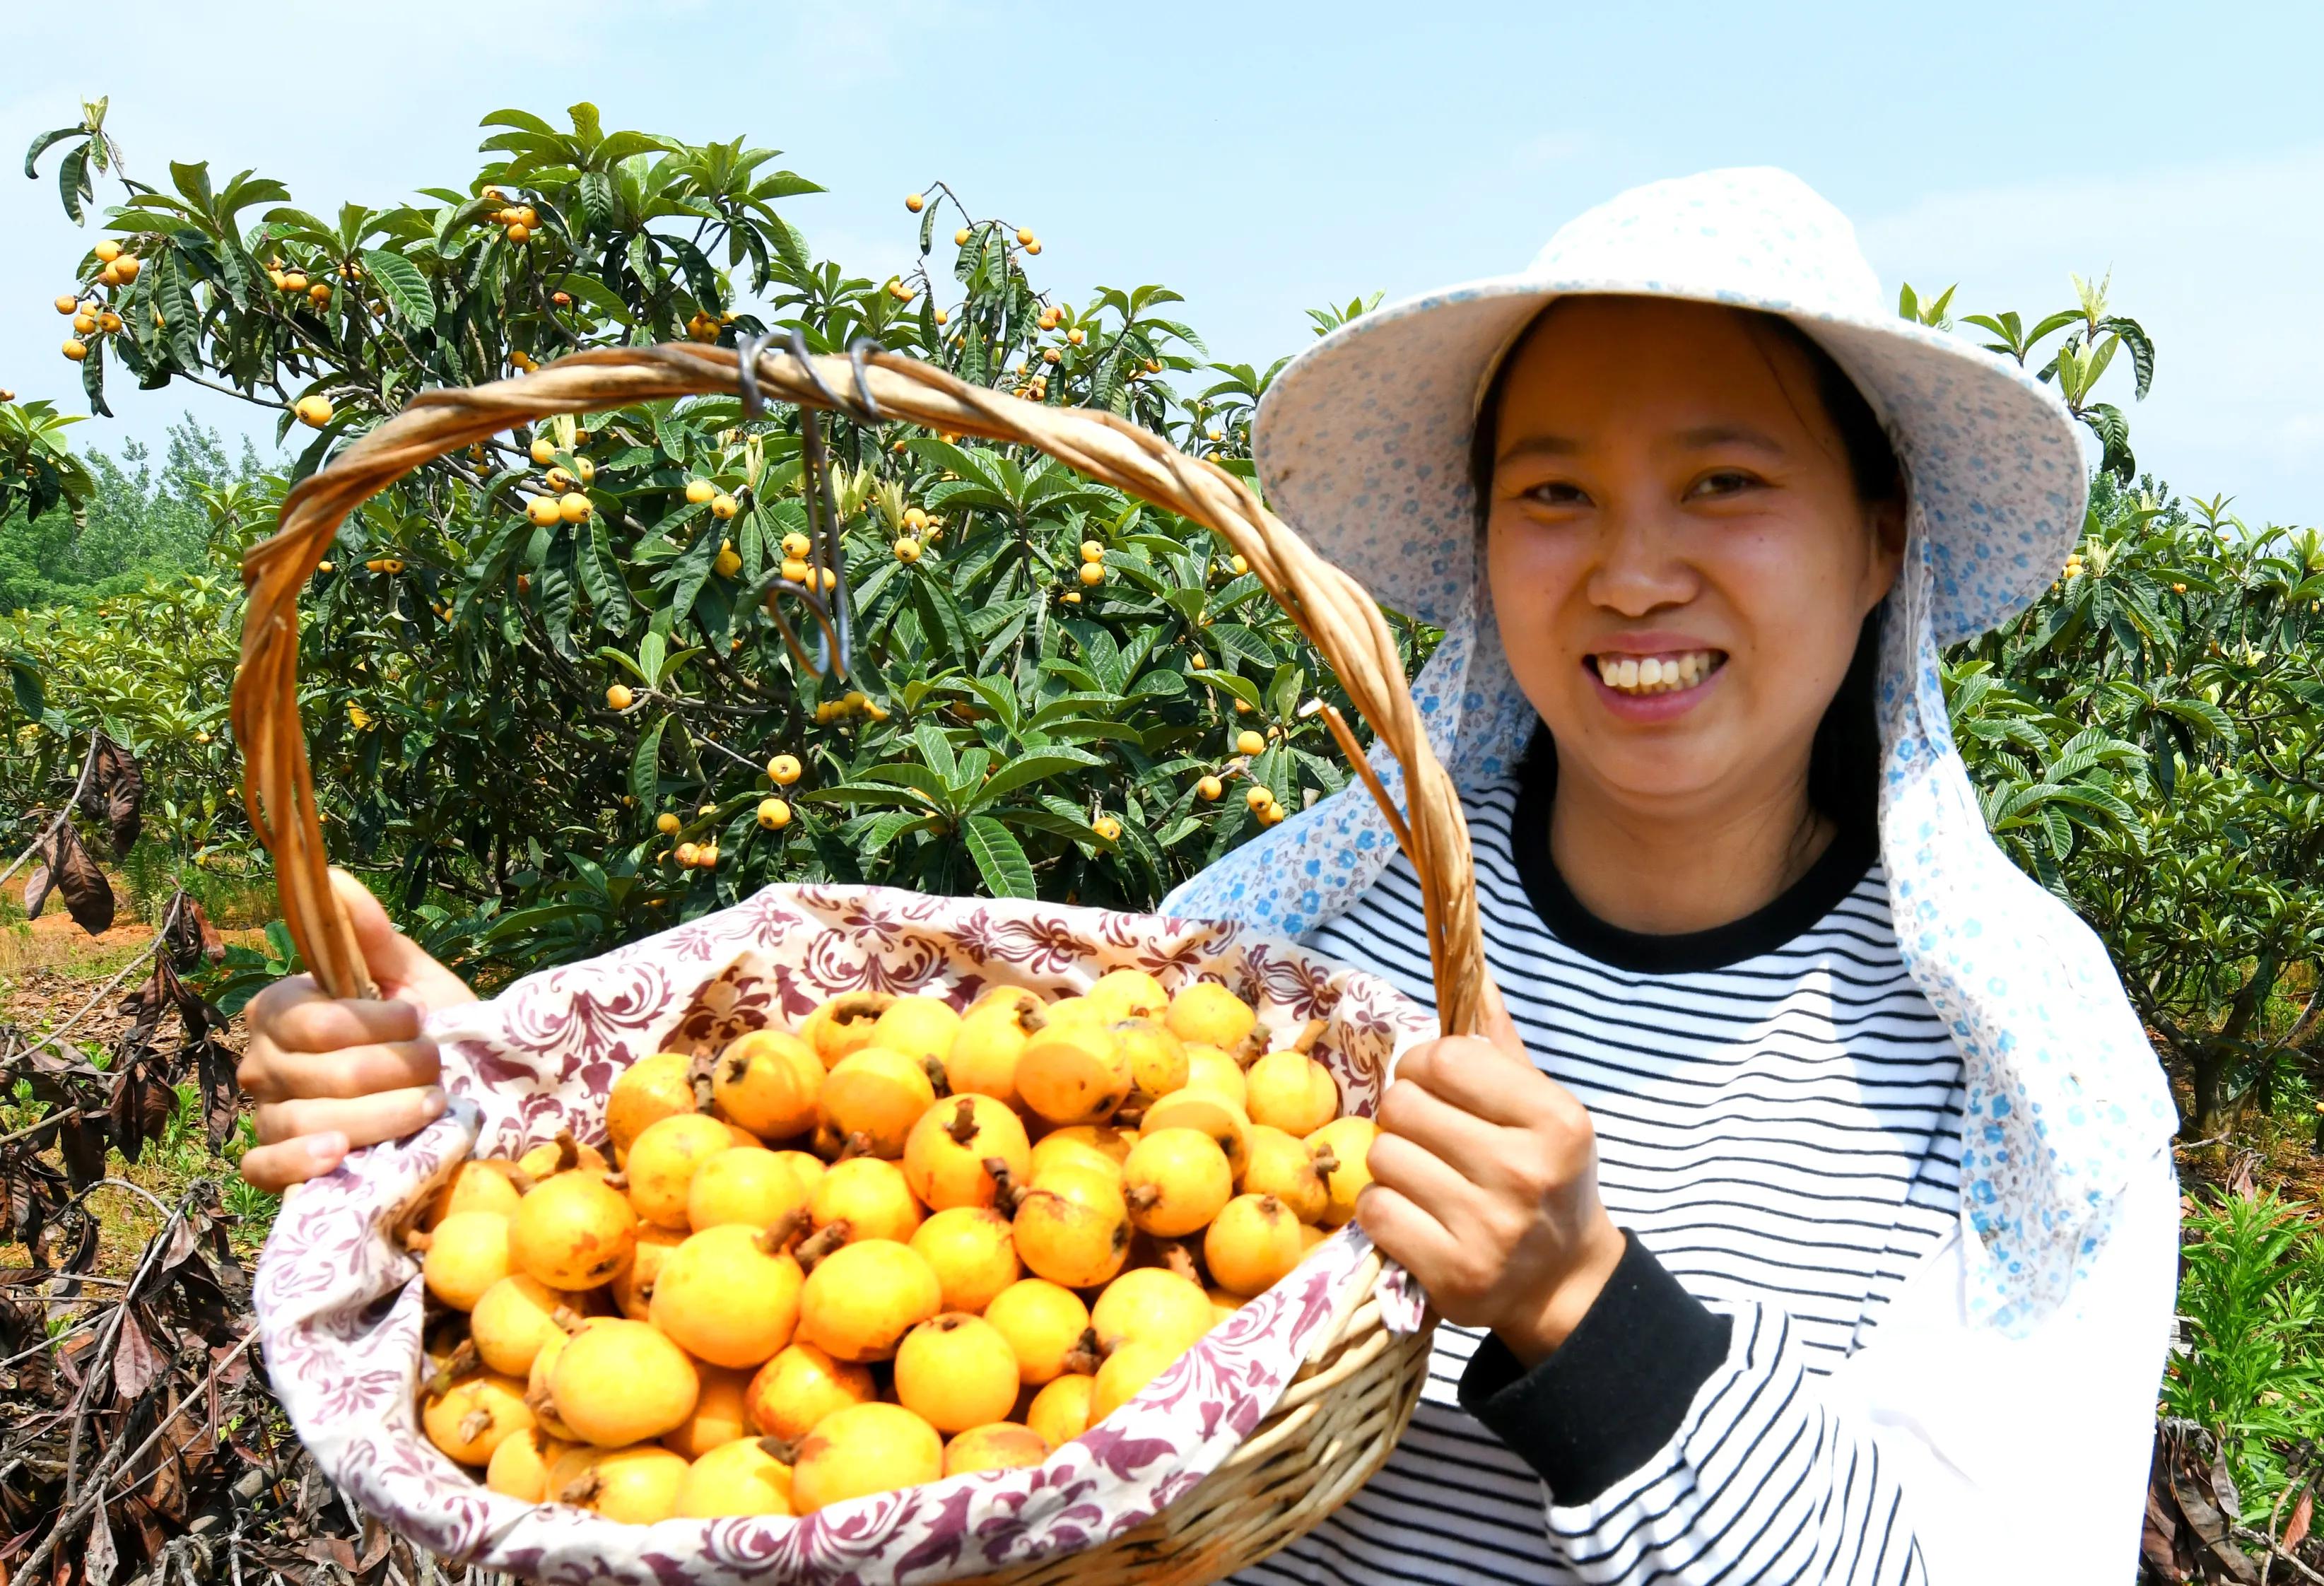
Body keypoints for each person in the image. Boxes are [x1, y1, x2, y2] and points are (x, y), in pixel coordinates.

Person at [238, 168, 2180, 1582]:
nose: (1632, 569)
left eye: (1728, 482)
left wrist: (1588, 1303)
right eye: (1554, 489)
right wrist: (469, 1103)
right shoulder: (1296, 950)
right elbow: (894, 1231)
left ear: (1878, 540)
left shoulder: (2015, 1077)